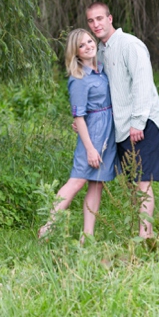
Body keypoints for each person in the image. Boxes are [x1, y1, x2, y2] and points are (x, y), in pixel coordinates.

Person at [86, 2, 159, 240]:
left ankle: (145, 238)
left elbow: (142, 82)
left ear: (110, 19)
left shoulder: (130, 44)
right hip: (121, 127)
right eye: (90, 21)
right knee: (132, 184)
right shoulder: (100, 51)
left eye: (100, 18)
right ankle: (143, 232)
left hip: (142, 124)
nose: (95, 24)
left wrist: (138, 122)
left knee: (142, 183)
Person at [38, 28, 117, 243]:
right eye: (81, 45)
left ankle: (87, 237)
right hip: (92, 135)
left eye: (90, 41)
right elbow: (79, 117)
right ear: (76, 52)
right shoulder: (79, 78)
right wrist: (90, 148)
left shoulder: (101, 70)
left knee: (97, 183)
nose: (88, 46)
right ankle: (48, 227)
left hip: (107, 132)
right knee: (77, 181)